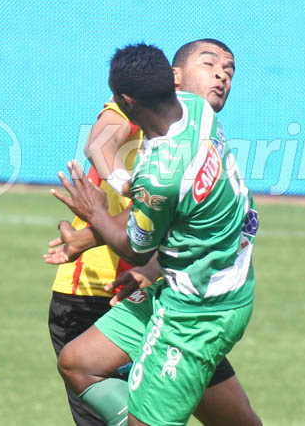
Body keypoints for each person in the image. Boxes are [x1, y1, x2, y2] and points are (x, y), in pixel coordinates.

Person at [47, 39, 260, 425]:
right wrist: (122, 183)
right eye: (211, 64)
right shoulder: (197, 110)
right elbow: (152, 192)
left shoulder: (161, 177)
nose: (221, 75)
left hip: (197, 312)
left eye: (228, 69)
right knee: (79, 362)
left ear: (126, 101)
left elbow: (134, 245)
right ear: (172, 81)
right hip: (194, 285)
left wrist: (94, 211)